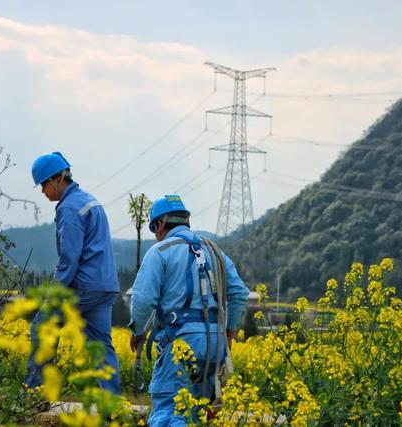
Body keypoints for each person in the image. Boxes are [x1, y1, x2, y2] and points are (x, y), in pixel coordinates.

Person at [129, 194, 249, 426]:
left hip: (180, 343)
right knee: (195, 413)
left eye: (155, 229)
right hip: (215, 345)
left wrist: (137, 331)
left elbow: (143, 299)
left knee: (170, 411)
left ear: (160, 224)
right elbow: (239, 293)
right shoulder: (215, 251)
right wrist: (229, 332)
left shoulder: (160, 251)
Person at [25, 151, 121, 394]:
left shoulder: (68, 208)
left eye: (44, 184)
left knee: (42, 327)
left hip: (84, 286)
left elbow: (69, 259)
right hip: (105, 286)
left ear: (58, 179)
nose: (43, 191)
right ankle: (111, 406)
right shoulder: (89, 200)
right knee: (101, 347)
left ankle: (35, 394)